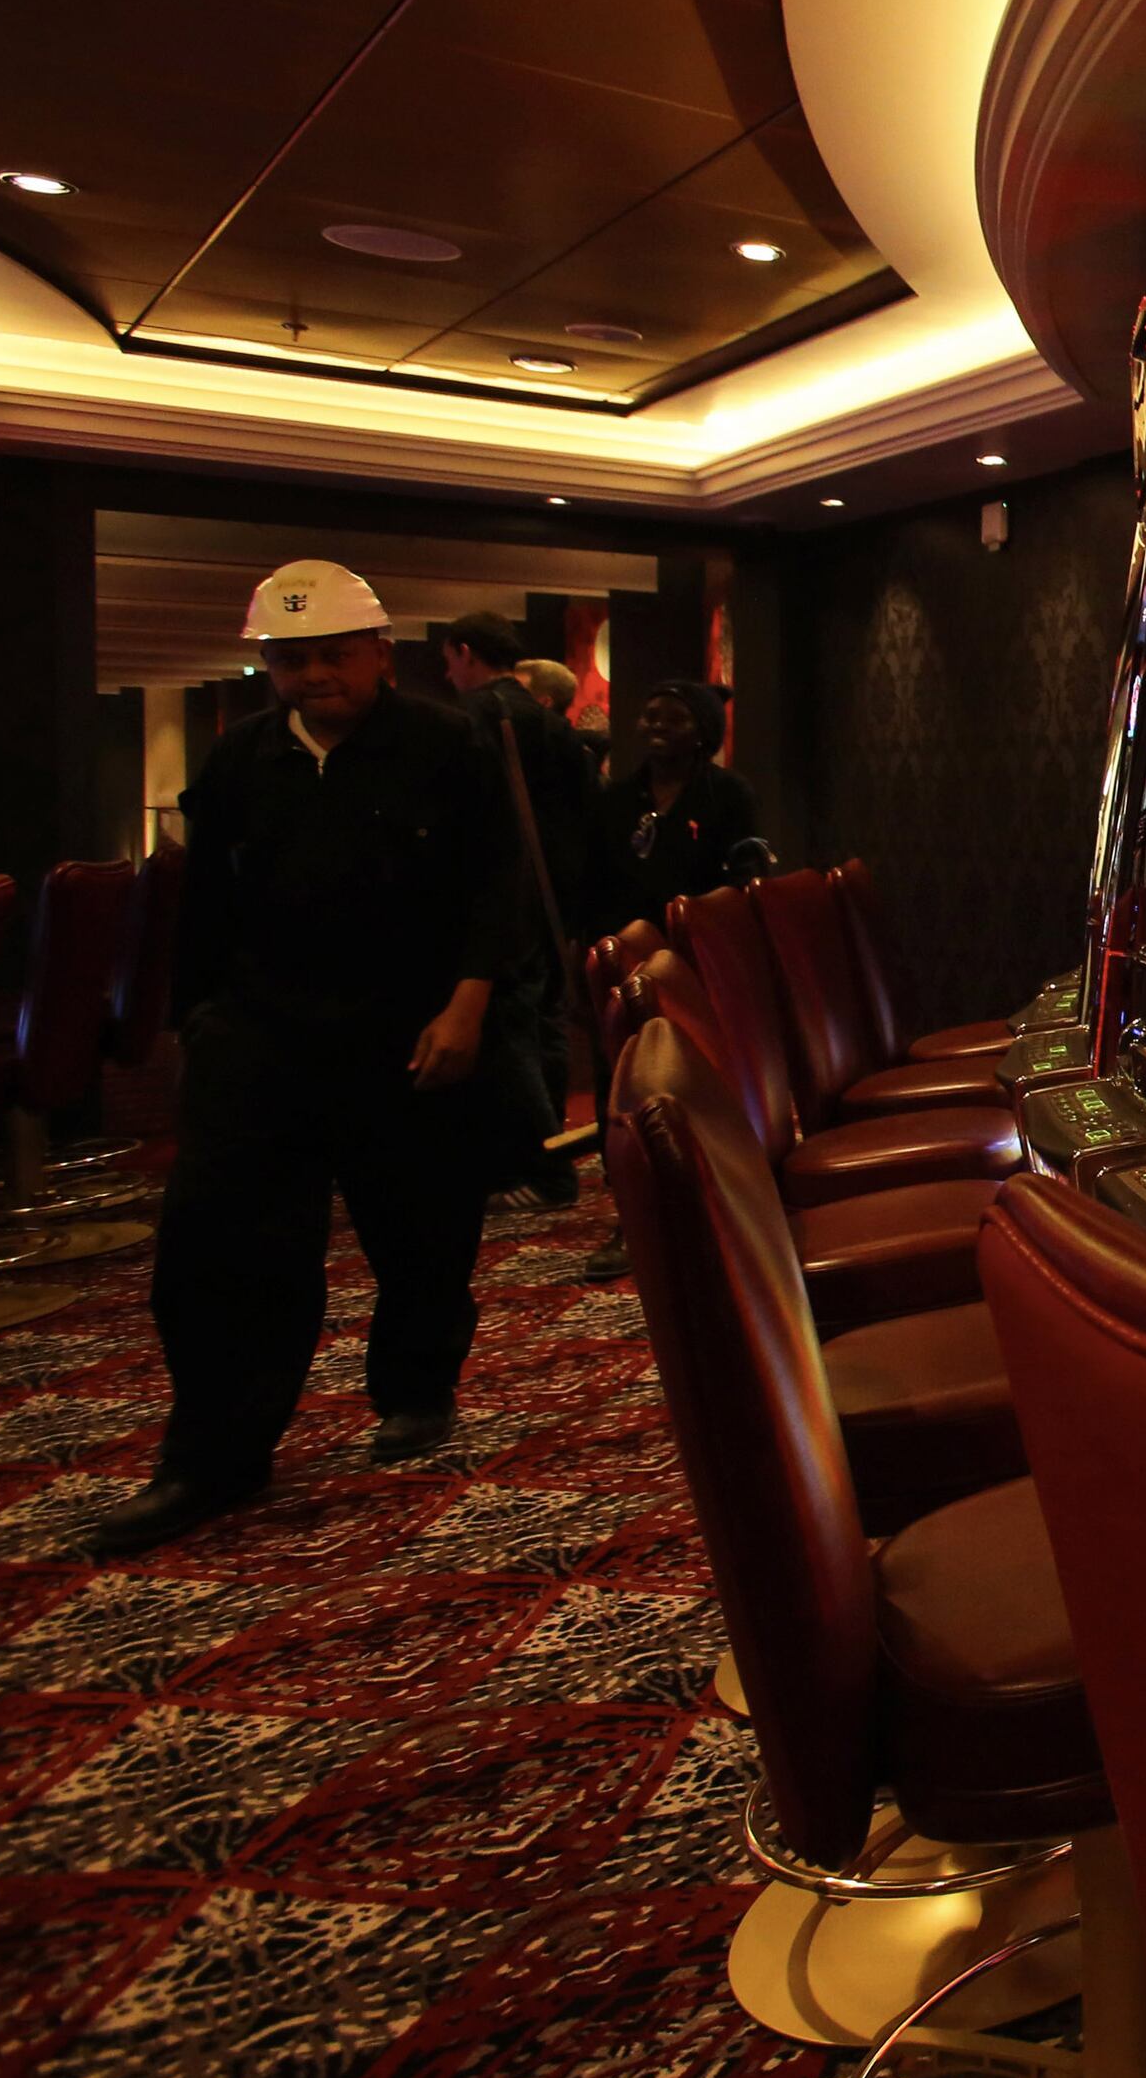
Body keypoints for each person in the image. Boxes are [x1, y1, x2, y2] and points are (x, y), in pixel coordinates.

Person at [89, 562, 520, 1555]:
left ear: (379, 653)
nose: (315, 675)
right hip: (262, 1032)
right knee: (220, 1248)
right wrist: (196, 1022)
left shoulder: (444, 744)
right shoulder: (241, 760)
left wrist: (468, 1006)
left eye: (333, 654)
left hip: (409, 1029)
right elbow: (204, 908)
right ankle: (213, 1455)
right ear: (266, 664)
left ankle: (415, 1388)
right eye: (292, 659)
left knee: (419, 1227)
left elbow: (496, 884)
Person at [439, 609, 596, 1210]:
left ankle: (543, 1166)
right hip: (557, 900)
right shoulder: (555, 726)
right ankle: (551, 1147)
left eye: (450, 661)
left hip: (501, 899)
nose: (449, 673)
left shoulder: (469, 718)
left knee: (506, 1033)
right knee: (543, 1026)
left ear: (463, 651)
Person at [592, 679, 760, 931]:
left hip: (703, 941)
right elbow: (597, 876)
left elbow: (745, 875)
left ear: (702, 733)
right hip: (627, 944)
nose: (659, 726)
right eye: (651, 717)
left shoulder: (728, 793)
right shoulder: (618, 796)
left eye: (676, 719)